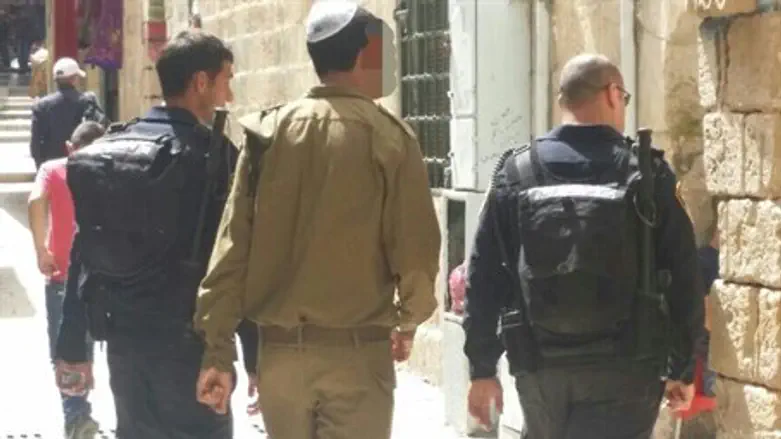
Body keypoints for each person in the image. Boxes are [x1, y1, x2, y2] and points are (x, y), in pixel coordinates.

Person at [193, 2, 441, 438]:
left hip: (281, 358)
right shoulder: (391, 138)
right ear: (365, 54)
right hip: (358, 356)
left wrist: (217, 352)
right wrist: (408, 320)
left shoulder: (268, 135)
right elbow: (416, 251)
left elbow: (232, 250)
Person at [463, 53, 705, 439]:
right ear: (612, 93)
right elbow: (685, 274)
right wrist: (682, 367)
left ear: (564, 102)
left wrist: (481, 369)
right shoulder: (647, 173)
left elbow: (483, 274)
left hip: (541, 369)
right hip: (629, 367)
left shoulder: (516, 173)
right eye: (623, 98)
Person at [53, 30, 259, 438]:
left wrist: (72, 346)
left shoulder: (115, 146)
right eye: (226, 80)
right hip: (192, 347)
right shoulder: (214, 156)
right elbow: (236, 259)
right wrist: (256, 356)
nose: (229, 95)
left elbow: (84, 249)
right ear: (201, 82)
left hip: (124, 344)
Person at [28, 121, 105, 439]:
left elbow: (35, 201)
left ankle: (76, 416)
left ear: (70, 147)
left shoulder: (53, 167)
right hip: (105, 272)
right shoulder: (107, 168)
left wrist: (41, 250)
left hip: (62, 271)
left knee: (67, 345)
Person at [29, 57, 106, 170]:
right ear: (74, 79)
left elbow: (35, 143)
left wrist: (41, 167)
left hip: (52, 167)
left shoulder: (41, 106)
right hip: (80, 167)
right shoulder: (87, 102)